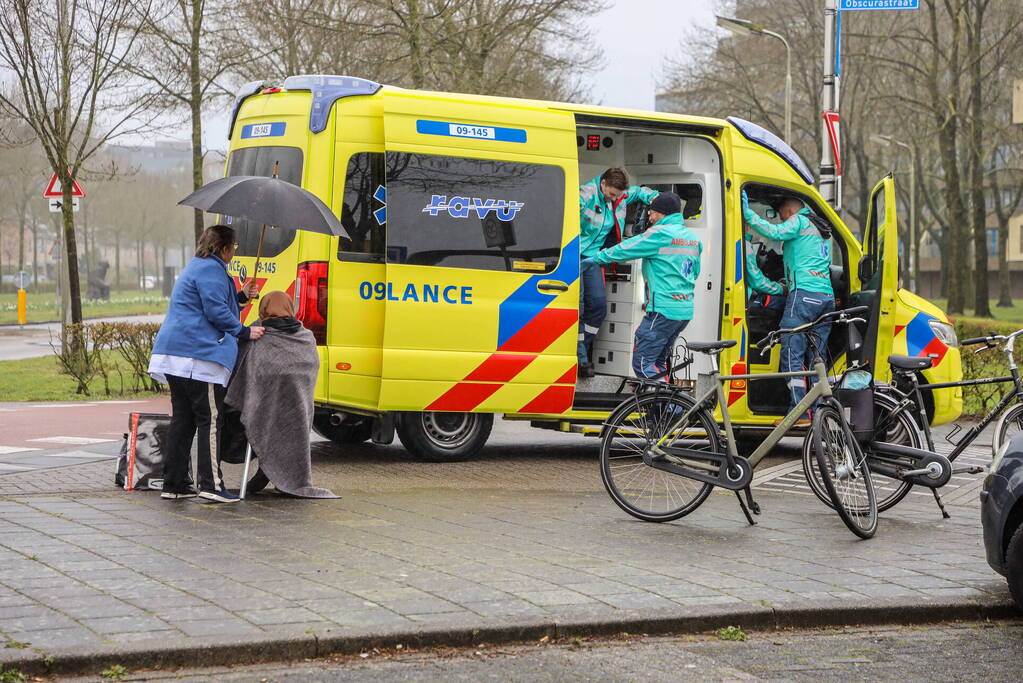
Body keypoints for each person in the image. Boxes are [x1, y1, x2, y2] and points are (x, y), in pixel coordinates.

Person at [148, 224, 263, 503]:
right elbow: (215, 311)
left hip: (175, 355)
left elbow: (211, 304)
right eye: (234, 247)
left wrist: (240, 296)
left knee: (183, 420)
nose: (234, 252)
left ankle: (174, 483)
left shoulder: (197, 267)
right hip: (198, 358)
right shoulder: (212, 270)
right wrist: (245, 331)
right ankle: (210, 484)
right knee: (210, 421)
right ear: (224, 247)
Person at [224, 291, 339, 499]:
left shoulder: (257, 335)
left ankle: (259, 472)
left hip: (260, 406)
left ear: (263, 310)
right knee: (280, 417)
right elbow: (312, 370)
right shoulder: (306, 337)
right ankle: (267, 472)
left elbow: (239, 371)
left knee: (229, 414)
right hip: (297, 411)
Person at [585, 192, 701, 380]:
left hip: (663, 309)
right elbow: (695, 272)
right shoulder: (692, 238)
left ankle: (673, 409)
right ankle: (663, 408)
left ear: (662, 214)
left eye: (652, 213)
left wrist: (596, 258)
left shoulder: (659, 234)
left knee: (642, 363)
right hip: (684, 311)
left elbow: (627, 248)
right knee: (659, 363)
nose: (649, 217)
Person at [742, 192, 834, 422]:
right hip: (826, 298)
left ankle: (799, 412)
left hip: (803, 296)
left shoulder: (799, 220)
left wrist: (747, 213)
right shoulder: (821, 229)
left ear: (789, 211)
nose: (783, 222)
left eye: (783, 217)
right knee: (817, 357)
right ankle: (819, 412)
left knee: (792, 352)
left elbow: (773, 232)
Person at [578, 167, 659, 377]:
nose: (615, 199)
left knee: (597, 307)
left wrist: (659, 200)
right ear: (603, 184)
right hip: (573, 255)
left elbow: (641, 193)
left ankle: (581, 349)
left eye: (618, 196)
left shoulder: (620, 195)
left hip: (594, 257)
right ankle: (580, 358)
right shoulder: (585, 194)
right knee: (577, 309)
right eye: (612, 194)